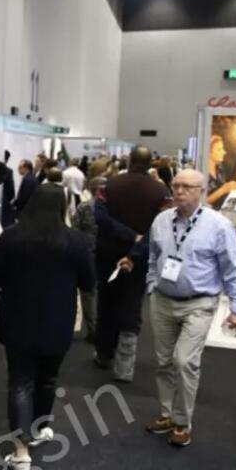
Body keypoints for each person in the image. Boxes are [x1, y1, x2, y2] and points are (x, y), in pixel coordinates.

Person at [0, 184, 95, 470]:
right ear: (63, 207)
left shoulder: (11, 237)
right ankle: (39, 428)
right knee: (48, 378)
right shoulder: (76, 241)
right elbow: (88, 282)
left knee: (20, 382)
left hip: (17, 318)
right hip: (57, 320)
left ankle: (20, 452)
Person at [142, 169, 236, 447]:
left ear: (201, 191)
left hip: (199, 303)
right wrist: (151, 284)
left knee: (184, 361)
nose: (179, 191)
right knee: (163, 362)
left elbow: (232, 269)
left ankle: (182, 421)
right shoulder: (161, 220)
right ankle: (167, 414)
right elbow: (153, 256)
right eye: (176, 185)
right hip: (162, 300)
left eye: (187, 187)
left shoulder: (218, 225)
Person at [93, 146, 170, 381]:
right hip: (142, 257)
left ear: (129, 161)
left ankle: (104, 353)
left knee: (106, 301)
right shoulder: (161, 190)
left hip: (108, 253)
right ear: (150, 163)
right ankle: (125, 366)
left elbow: (100, 217)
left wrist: (127, 234)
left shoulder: (108, 185)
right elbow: (163, 224)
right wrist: (139, 241)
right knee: (132, 303)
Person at [73, 176, 107, 344]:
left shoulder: (84, 207)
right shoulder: (113, 207)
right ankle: (106, 328)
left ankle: (93, 329)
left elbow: (75, 230)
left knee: (88, 292)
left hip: (87, 252)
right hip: (108, 253)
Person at [206, 135, 236, 209]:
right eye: (219, 149)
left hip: (223, 210)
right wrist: (223, 190)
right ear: (208, 152)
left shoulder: (220, 168)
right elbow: (200, 203)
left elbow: (226, 191)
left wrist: (231, 188)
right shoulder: (201, 172)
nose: (224, 152)